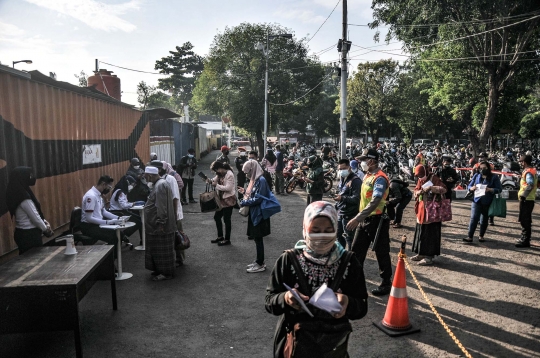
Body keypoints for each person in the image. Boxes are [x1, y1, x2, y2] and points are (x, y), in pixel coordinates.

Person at [265, 201, 368, 358]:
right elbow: (270, 301)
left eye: (328, 230)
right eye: (315, 230)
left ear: (336, 228)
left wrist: (348, 302)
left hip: (333, 347)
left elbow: (361, 306)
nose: (321, 236)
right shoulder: (288, 260)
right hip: (295, 346)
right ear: (305, 229)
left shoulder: (349, 262)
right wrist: (285, 298)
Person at [347, 148, 392, 296]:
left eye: (364, 160)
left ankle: (386, 283)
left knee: (381, 252)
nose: (361, 162)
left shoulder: (379, 178)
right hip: (365, 220)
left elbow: (375, 201)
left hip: (377, 221)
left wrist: (357, 218)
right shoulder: (368, 175)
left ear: (372, 161)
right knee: (356, 251)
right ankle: (352, 281)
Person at [5, 167, 53, 254]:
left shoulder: (18, 193)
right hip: (29, 235)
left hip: (21, 233)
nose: (31, 178)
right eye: (29, 176)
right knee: (35, 260)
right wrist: (46, 229)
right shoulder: (24, 198)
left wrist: (44, 221)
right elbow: (35, 218)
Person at [143, 166, 177, 281]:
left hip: (160, 226)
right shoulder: (159, 184)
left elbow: (162, 207)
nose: (145, 178)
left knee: (163, 252)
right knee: (156, 250)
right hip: (154, 225)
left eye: (146, 176)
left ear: (150, 175)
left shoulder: (160, 185)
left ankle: (166, 273)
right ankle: (159, 270)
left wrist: (161, 223)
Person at [239, 160, 271, 273]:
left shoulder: (261, 180)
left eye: (248, 172)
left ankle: (260, 263)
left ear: (253, 170)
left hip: (259, 214)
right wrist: (245, 192)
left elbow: (259, 198)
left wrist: (245, 202)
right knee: (257, 238)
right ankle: (258, 261)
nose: (247, 175)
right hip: (255, 213)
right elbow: (255, 195)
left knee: (258, 238)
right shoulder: (256, 179)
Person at [411, 165, 447, 266]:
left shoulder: (434, 178)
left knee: (430, 233)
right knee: (421, 232)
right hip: (421, 210)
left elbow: (444, 189)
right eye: (418, 175)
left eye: (422, 175)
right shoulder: (420, 180)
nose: (420, 177)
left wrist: (431, 188)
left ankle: (429, 257)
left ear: (426, 172)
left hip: (432, 211)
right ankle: (421, 253)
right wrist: (418, 192)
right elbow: (415, 190)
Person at [80, 175, 125, 253]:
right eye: (109, 187)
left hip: (97, 224)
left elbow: (104, 212)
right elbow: (89, 218)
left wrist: (118, 218)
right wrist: (108, 222)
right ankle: (109, 261)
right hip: (89, 227)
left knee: (119, 234)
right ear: (103, 184)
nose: (108, 190)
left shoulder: (98, 196)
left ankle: (113, 259)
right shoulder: (91, 196)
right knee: (113, 237)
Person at [464, 161, 502, 243]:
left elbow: (499, 189)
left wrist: (490, 189)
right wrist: (471, 188)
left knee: (484, 219)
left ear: (488, 168)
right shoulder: (477, 175)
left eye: (484, 168)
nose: (482, 170)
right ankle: (470, 236)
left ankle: (481, 236)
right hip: (476, 200)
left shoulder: (494, 177)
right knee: (474, 218)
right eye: (481, 168)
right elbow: (469, 185)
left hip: (487, 201)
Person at [157, 161, 185, 266]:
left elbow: (175, 198)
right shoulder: (159, 180)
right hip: (166, 214)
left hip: (174, 214)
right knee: (170, 238)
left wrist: (173, 214)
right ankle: (172, 258)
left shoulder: (170, 179)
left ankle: (180, 259)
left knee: (177, 237)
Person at [334, 159, 361, 250]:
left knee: (349, 239)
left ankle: (350, 259)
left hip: (349, 215)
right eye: (339, 169)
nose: (341, 171)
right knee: (338, 237)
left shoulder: (356, 181)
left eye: (343, 168)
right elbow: (341, 193)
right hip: (340, 213)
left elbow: (356, 199)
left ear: (349, 168)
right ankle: (340, 257)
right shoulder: (342, 179)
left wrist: (342, 198)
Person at [208, 161, 237, 246]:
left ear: (221, 168)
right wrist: (208, 180)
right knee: (217, 217)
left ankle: (227, 239)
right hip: (221, 199)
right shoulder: (220, 174)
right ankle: (220, 236)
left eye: (217, 170)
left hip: (229, 199)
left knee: (226, 220)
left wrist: (216, 185)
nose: (216, 172)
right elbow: (214, 180)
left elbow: (228, 188)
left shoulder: (229, 174)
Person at [109, 175, 143, 245]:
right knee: (138, 222)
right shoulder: (120, 192)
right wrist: (133, 204)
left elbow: (124, 203)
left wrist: (131, 204)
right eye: (130, 184)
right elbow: (124, 205)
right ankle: (123, 235)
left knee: (139, 219)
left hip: (119, 211)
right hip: (118, 213)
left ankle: (124, 235)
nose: (131, 186)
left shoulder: (120, 190)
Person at [516, 154, 538, 248]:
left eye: (521, 162)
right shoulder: (531, 171)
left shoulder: (528, 172)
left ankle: (525, 241)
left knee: (525, 220)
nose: (520, 163)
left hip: (526, 199)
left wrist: (524, 196)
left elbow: (530, 184)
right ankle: (524, 238)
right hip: (529, 198)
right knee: (525, 219)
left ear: (524, 162)